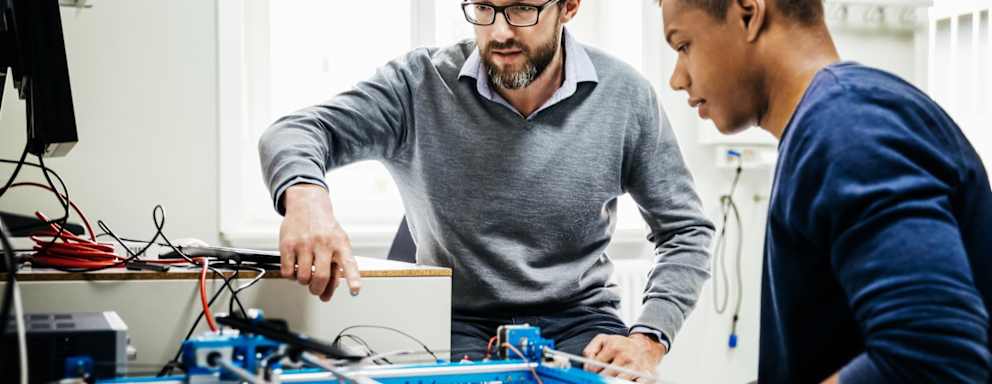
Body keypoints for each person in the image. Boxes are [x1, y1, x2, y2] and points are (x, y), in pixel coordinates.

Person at [259, 0, 715, 379]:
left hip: (580, 321)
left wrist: (649, 336)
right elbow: (295, 132)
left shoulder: (625, 96)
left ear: (570, 7)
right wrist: (307, 198)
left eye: (521, 9)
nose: (498, 33)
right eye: (483, 8)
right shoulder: (417, 85)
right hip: (454, 322)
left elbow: (686, 231)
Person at [658, 0, 992, 382]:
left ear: (748, 15)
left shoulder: (848, 124)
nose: (677, 78)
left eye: (683, 46)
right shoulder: (828, 124)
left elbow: (933, 359)